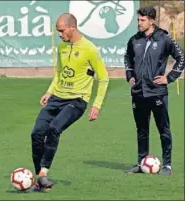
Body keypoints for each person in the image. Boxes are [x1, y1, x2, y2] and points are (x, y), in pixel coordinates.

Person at [28, 13, 109, 192]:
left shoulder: (90, 49)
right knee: (36, 134)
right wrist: (49, 91)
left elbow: (103, 78)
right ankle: (40, 178)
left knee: (53, 129)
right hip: (57, 97)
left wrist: (97, 104)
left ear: (73, 27)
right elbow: (59, 72)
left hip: (77, 100)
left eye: (62, 30)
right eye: (58, 31)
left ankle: (43, 174)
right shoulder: (62, 47)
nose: (60, 34)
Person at [124, 6, 184, 175]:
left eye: (142, 20)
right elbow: (127, 58)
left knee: (163, 129)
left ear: (152, 21)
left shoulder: (164, 39)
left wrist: (169, 77)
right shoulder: (134, 40)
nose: (139, 23)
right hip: (138, 93)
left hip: (157, 93)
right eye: (138, 20)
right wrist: (129, 76)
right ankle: (141, 162)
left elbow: (181, 58)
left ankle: (167, 165)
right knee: (141, 130)